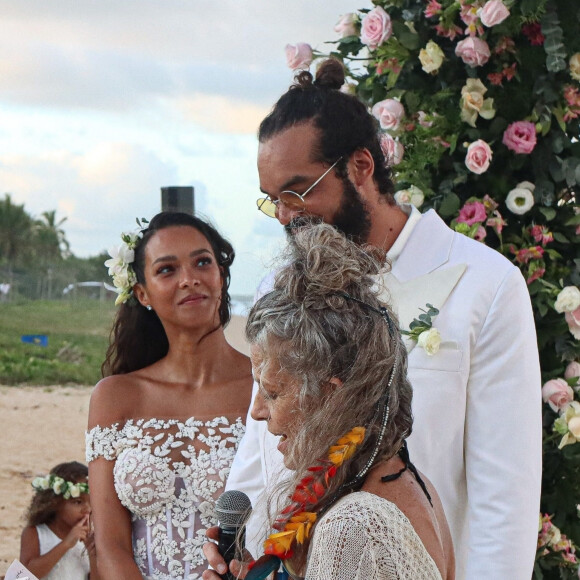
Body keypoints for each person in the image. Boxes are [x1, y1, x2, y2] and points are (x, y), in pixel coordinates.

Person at [221, 59, 542, 580]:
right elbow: (260, 455)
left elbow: (504, 496)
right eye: (272, 200)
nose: (285, 216)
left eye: (298, 192)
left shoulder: (487, 284)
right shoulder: (275, 292)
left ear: (361, 167)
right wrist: (241, 552)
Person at [207, 223, 454, 579]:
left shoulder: (354, 527)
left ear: (332, 396)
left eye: (273, 392)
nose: (257, 412)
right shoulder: (410, 483)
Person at [86, 212, 253, 579]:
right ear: (142, 293)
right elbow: (111, 547)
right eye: (167, 270)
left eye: (202, 262)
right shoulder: (115, 397)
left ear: (221, 277)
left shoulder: (267, 386)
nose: (189, 279)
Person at [19, 461, 99, 580]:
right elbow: (26, 575)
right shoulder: (36, 533)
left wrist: (92, 555)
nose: (87, 509)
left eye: (91, 502)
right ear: (55, 502)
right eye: (78, 502)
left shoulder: (88, 540)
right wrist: (67, 543)